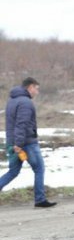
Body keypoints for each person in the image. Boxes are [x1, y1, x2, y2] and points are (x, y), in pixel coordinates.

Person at [0, 77, 56, 207]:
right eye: (36, 89)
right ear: (30, 87)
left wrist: (14, 144)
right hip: (26, 143)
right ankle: (40, 199)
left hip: (13, 142)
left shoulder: (12, 100)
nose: (37, 92)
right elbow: (22, 124)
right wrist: (18, 145)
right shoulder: (25, 102)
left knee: (13, 171)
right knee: (39, 169)